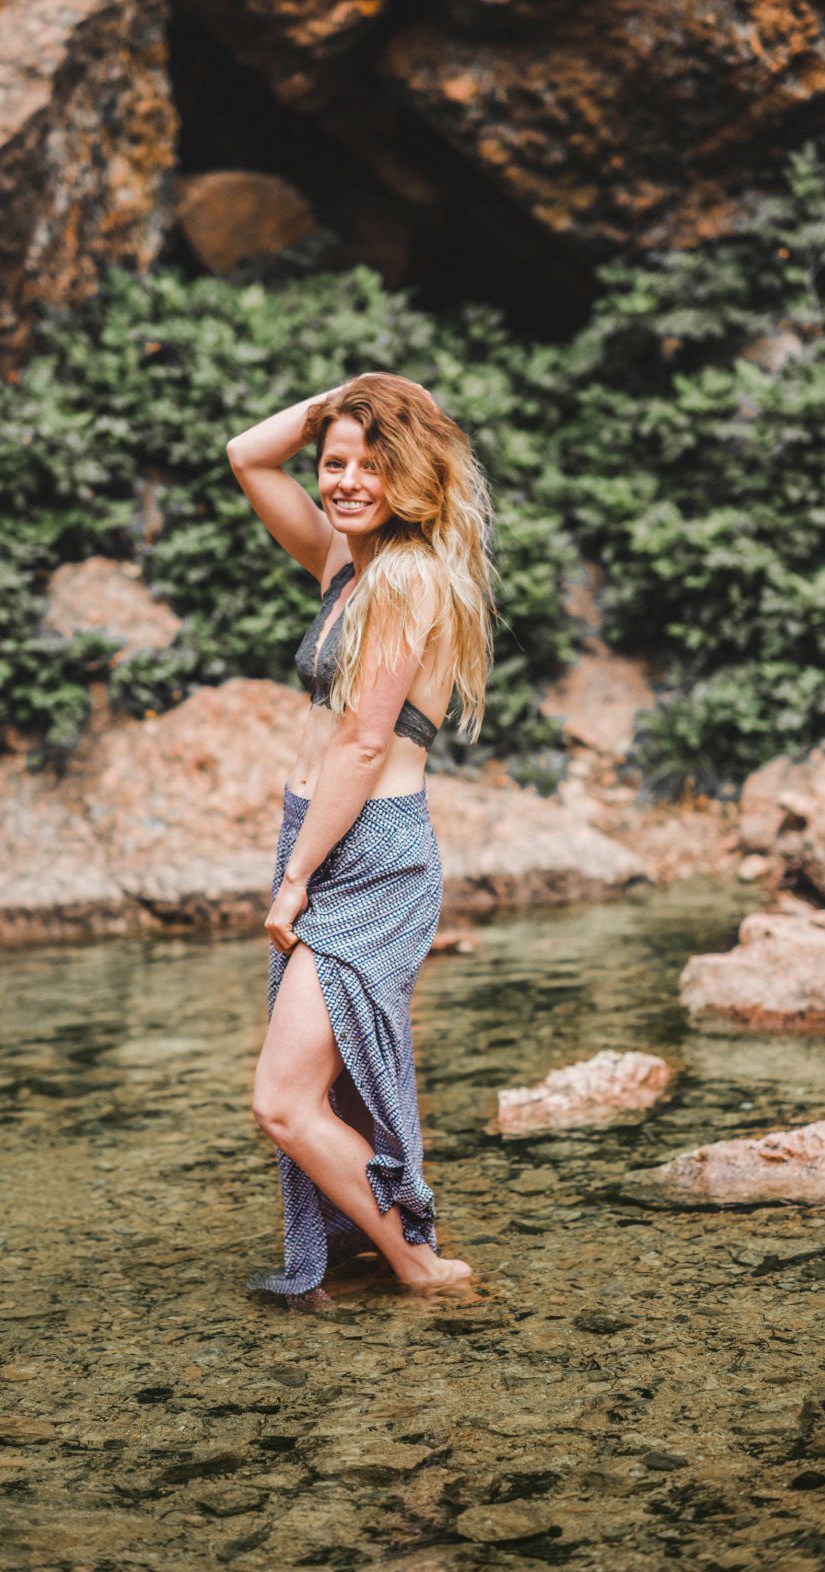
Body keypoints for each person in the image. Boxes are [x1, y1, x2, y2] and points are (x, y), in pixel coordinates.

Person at [226, 368, 493, 1299]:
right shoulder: (351, 566)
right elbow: (245, 457)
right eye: (336, 464)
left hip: (367, 856)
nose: (343, 482)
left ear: (408, 476)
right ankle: (379, 1255)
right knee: (314, 1093)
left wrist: (296, 877)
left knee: (284, 1100)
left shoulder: (408, 578)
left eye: (369, 467)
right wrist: (341, 400)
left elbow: (365, 740)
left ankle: (424, 1267)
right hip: (324, 835)